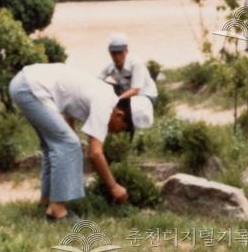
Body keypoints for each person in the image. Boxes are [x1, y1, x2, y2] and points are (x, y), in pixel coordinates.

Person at [9, 62, 154, 221]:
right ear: (119, 114)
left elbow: (69, 106)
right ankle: (57, 210)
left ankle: (46, 202)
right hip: (31, 88)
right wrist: (114, 187)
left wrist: (68, 133)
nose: (119, 132)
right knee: (68, 144)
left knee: (57, 146)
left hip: (25, 83)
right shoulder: (105, 105)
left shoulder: (104, 95)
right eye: (124, 128)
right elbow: (95, 153)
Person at [98, 33, 158, 106]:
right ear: (110, 53)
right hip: (126, 94)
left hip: (145, 95)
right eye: (114, 53)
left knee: (132, 107)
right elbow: (97, 80)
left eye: (120, 53)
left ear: (126, 51)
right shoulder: (110, 66)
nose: (117, 57)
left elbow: (135, 90)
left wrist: (116, 100)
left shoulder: (136, 63)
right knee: (101, 85)